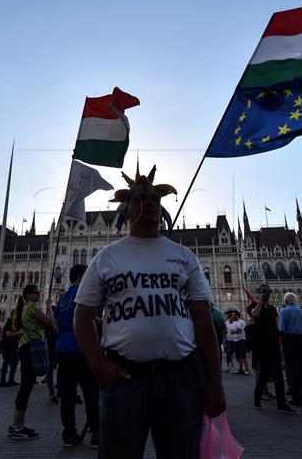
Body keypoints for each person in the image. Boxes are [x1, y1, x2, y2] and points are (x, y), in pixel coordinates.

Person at [73, 168, 225, 459]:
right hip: (124, 378)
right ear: (126, 209)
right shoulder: (106, 257)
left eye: (155, 198)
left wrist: (215, 382)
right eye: (141, 197)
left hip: (181, 376)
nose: (150, 202)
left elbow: (203, 319)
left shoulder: (184, 256)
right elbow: (82, 316)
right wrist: (99, 366)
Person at [53, 263, 100, 448]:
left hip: (64, 350)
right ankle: (96, 433)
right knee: (91, 393)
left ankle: (69, 434)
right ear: (81, 276)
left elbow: (54, 321)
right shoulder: (85, 293)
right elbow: (88, 318)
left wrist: (62, 336)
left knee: (68, 395)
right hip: (83, 349)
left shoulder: (63, 297)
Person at [8, 284, 54, 440]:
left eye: (38, 293)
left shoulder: (26, 307)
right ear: (27, 294)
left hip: (26, 347)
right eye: (35, 293)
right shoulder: (33, 308)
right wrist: (49, 307)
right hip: (30, 347)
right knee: (26, 387)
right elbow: (49, 322)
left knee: (25, 386)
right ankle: (17, 427)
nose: (37, 295)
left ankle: (16, 424)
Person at [251, 284, 294, 413]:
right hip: (262, 344)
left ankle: (282, 403)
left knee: (278, 374)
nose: (266, 293)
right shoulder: (254, 306)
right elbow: (254, 315)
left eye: (268, 291)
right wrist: (260, 301)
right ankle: (257, 397)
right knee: (264, 374)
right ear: (259, 292)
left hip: (274, 343)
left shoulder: (272, 309)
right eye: (264, 291)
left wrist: (280, 334)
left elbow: (277, 323)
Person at [278, 292, 302, 407]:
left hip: (290, 342)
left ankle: (297, 398)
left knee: (293, 371)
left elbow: (282, 329)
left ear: (285, 301)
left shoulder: (284, 311)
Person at [0, 313, 21, 387]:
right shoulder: (10, 321)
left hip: (14, 346)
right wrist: (19, 332)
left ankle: (11, 380)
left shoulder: (17, 323)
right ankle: (2, 381)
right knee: (6, 363)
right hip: (8, 345)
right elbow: (8, 334)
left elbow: (16, 335)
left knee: (15, 362)